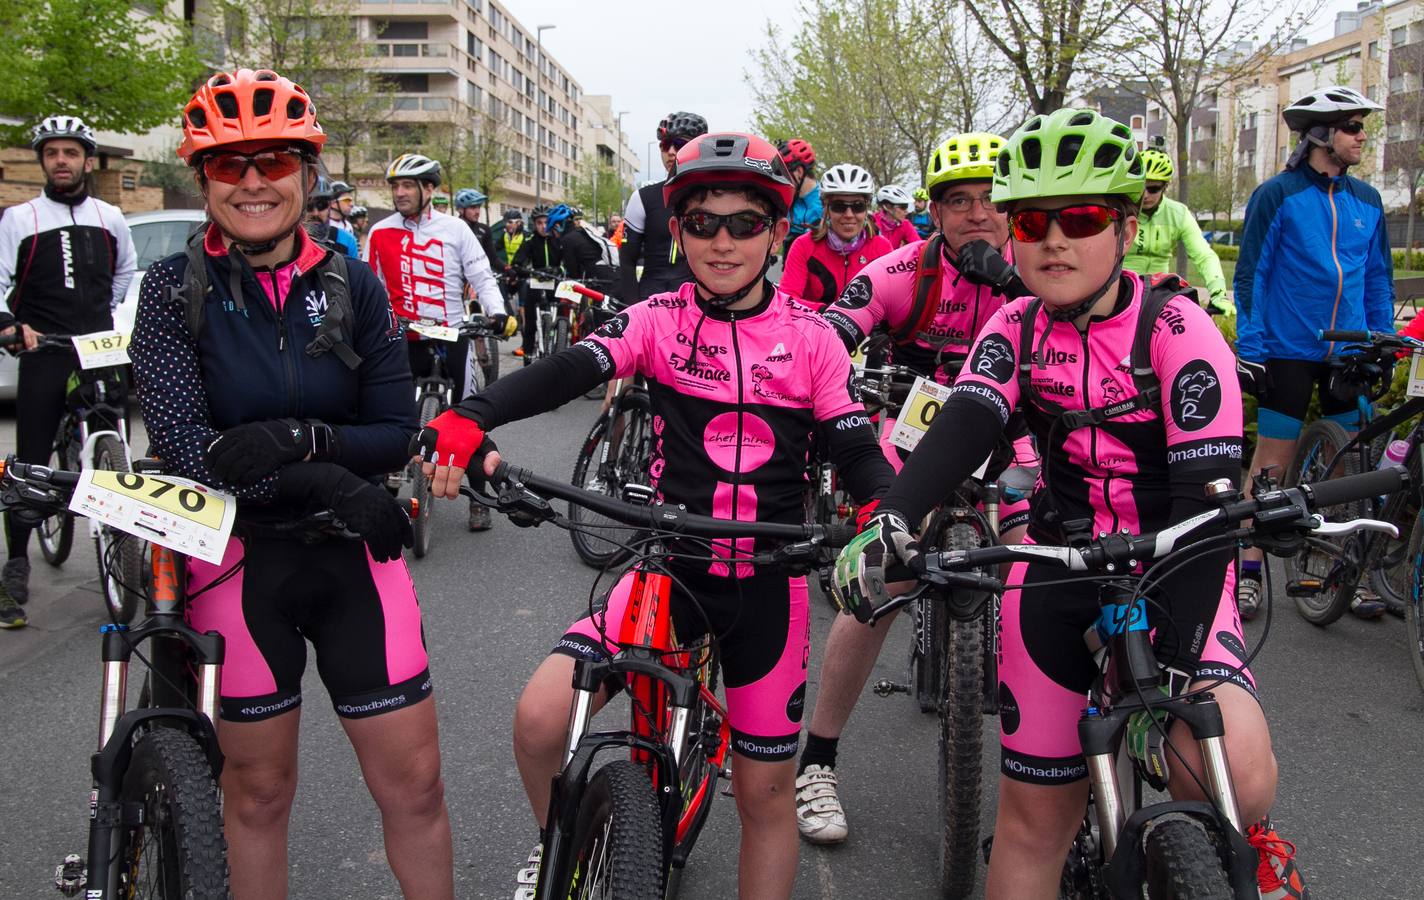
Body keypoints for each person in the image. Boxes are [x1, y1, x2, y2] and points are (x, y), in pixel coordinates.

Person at [831, 107, 1307, 900]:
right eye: (1035, 220)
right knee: (1031, 823)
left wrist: (1178, 668)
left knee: (1238, 777)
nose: (1055, 239)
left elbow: (1206, 507)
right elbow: (967, 420)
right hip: (1057, 567)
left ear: (1123, 228)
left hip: (1174, 562)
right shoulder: (1013, 327)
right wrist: (891, 515)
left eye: (1081, 218)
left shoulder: (1180, 332)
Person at [416, 132, 895, 900]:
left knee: (766, 795)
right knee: (541, 721)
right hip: (668, 567)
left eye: (746, 223)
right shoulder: (659, 319)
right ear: (678, 232)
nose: (723, 240)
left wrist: (883, 513)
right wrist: (474, 415)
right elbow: (568, 368)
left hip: (769, 584)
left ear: (777, 233)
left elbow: (854, 446)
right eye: (703, 222)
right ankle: (563, 844)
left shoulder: (812, 338)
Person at [129, 68, 452, 898]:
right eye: (227, 164)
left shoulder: (354, 284)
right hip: (237, 563)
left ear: (307, 175)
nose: (251, 181)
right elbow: (196, 455)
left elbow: (392, 432)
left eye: (272, 160)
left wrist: (297, 441)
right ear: (202, 178)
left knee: (414, 789)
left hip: (357, 558)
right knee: (259, 794)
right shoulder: (171, 291)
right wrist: (326, 479)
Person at [798, 132, 1034, 845]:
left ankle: (1053, 763)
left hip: (1009, 429)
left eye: (993, 200)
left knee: (1036, 561)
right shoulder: (902, 267)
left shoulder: (1035, 270)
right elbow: (838, 326)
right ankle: (818, 762)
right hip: (913, 429)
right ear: (934, 212)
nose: (978, 216)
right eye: (959, 202)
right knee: (885, 577)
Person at [1234, 84, 1395, 621]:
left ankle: (1354, 575)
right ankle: (1249, 568)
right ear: (1322, 134)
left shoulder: (1368, 201)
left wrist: (1380, 339)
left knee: (1352, 465)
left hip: (1347, 352)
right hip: (1286, 350)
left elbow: (1376, 279)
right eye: (1353, 127)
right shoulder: (1277, 195)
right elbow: (1251, 274)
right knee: (1272, 466)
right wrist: (1251, 346)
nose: (1362, 136)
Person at [0, 114, 136, 629]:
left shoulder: (110, 215)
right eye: (52, 153)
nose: (62, 161)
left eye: (71, 153)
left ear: (86, 160)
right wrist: (11, 325)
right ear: (42, 161)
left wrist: (112, 316)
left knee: (115, 442)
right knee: (32, 459)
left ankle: (122, 542)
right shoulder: (20, 217)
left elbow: (124, 272)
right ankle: (15, 562)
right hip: (45, 350)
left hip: (97, 346)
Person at [365, 152, 514, 530]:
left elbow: (481, 275)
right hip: (403, 335)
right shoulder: (379, 232)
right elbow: (370, 286)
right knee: (385, 412)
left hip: (453, 333)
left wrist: (496, 313)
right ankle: (380, 489)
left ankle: (478, 498)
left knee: (471, 415)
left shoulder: (455, 229)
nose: (399, 193)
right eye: (394, 186)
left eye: (406, 186)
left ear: (428, 189)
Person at [1122, 144, 1231, 316]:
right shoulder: (1123, 210)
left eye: (1153, 188)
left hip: (1159, 293)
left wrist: (1218, 292)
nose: (1146, 195)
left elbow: (1203, 255)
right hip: (1123, 291)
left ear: (1164, 187)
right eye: (1141, 187)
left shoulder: (1178, 214)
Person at [619, 110, 708, 301]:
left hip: (699, 301)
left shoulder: (713, 196)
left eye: (680, 144)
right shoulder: (643, 197)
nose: (671, 152)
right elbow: (626, 261)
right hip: (651, 299)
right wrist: (632, 308)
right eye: (665, 145)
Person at [778, 163, 892, 310]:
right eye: (839, 206)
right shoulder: (803, 246)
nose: (849, 215)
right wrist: (831, 313)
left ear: (866, 209)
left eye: (858, 206)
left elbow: (893, 304)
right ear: (826, 209)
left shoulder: (882, 248)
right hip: (814, 328)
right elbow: (787, 301)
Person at [511, 204, 560, 364]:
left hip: (555, 284)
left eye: (546, 222)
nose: (543, 226)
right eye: (539, 223)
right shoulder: (530, 240)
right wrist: (529, 272)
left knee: (561, 321)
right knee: (530, 325)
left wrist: (558, 270)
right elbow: (517, 263)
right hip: (536, 282)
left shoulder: (558, 240)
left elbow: (567, 261)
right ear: (534, 224)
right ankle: (527, 358)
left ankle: (559, 351)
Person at [547, 203, 618, 284]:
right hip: (609, 277)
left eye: (553, 230)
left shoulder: (568, 239)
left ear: (557, 226)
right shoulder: (582, 233)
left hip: (601, 282)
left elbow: (573, 272)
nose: (554, 234)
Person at [780, 138, 822, 256]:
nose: (782, 180)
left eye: (784, 174)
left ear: (798, 171)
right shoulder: (788, 201)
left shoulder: (826, 202)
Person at [303, 175, 359, 258]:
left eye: (322, 205)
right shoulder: (285, 242)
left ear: (330, 206)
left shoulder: (348, 240)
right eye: (309, 206)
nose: (315, 213)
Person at [871, 184, 920, 249]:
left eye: (907, 206)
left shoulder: (905, 224)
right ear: (887, 206)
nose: (906, 211)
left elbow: (919, 247)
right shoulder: (871, 223)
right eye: (903, 207)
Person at [455, 188, 496, 262]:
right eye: (473, 207)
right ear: (460, 209)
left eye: (479, 207)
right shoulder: (451, 228)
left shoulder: (485, 229)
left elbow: (493, 258)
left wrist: (508, 269)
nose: (477, 211)